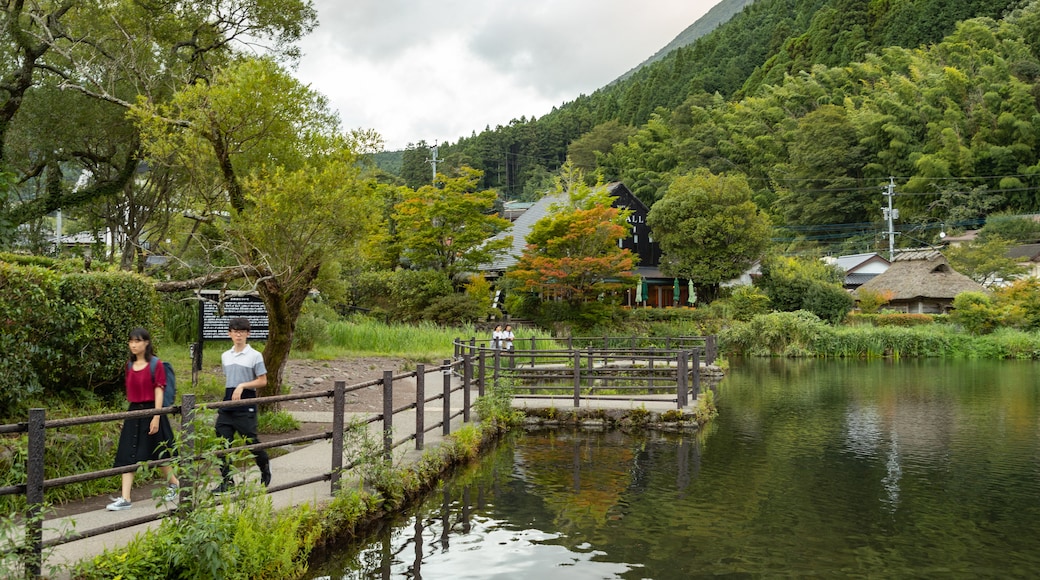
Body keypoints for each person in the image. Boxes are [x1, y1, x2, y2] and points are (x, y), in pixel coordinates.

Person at [106, 328, 180, 511]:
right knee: (127, 454)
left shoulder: (156, 364)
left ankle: (175, 484)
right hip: (133, 412)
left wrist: (156, 416)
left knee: (159, 455)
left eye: (137, 341)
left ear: (146, 342)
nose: (133, 345)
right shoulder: (129, 365)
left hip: (152, 411)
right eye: (131, 341)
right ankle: (125, 498)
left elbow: (159, 390)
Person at [213, 317, 271, 493]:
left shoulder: (255, 355)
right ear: (229, 334)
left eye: (242, 331)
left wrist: (243, 385)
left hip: (246, 403)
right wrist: (235, 388)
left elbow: (263, 381)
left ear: (248, 334)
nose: (238, 335)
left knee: (251, 440)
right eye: (235, 331)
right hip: (228, 403)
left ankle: (264, 468)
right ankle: (227, 480)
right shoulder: (225, 356)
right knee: (222, 442)